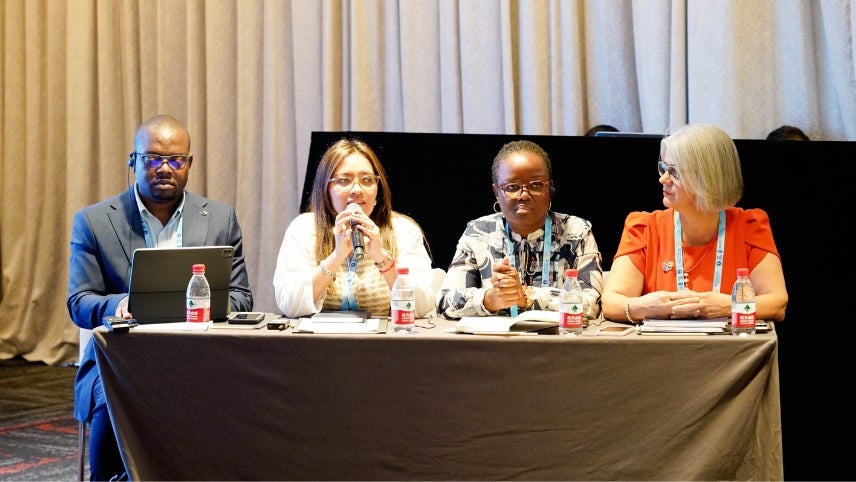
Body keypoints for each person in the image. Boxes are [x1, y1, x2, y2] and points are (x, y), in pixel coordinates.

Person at [67, 114, 254, 481]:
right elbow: (80, 301)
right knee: (116, 410)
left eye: (175, 159)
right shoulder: (94, 221)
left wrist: (202, 306)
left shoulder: (219, 218)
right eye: (152, 158)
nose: (164, 168)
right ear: (133, 161)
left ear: (189, 163)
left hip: (202, 361)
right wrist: (120, 304)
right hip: (120, 364)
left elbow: (243, 298)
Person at [602, 123, 788, 324]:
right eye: (663, 168)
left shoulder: (749, 226)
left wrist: (727, 306)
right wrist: (647, 307)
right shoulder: (644, 227)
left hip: (732, 353)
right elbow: (611, 303)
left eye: (674, 172)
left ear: (708, 178)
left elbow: (777, 304)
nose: (663, 179)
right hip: (659, 352)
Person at [436, 140, 603, 320]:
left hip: (559, 342)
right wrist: (490, 299)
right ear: (496, 192)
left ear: (550, 188)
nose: (524, 195)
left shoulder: (576, 231)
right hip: (495, 343)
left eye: (536, 185)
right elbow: (444, 302)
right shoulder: (479, 231)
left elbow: (593, 305)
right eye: (512, 187)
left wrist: (526, 295)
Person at [273, 138, 435, 319]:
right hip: (317, 344)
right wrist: (337, 256)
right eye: (344, 180)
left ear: (377, 189)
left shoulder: (403, 230)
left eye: (367, 180)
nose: (357, 189)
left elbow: (422, 307)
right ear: (326, 188)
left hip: (384, 344)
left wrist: (381, 257)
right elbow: (290, 305)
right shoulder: (303, 229)